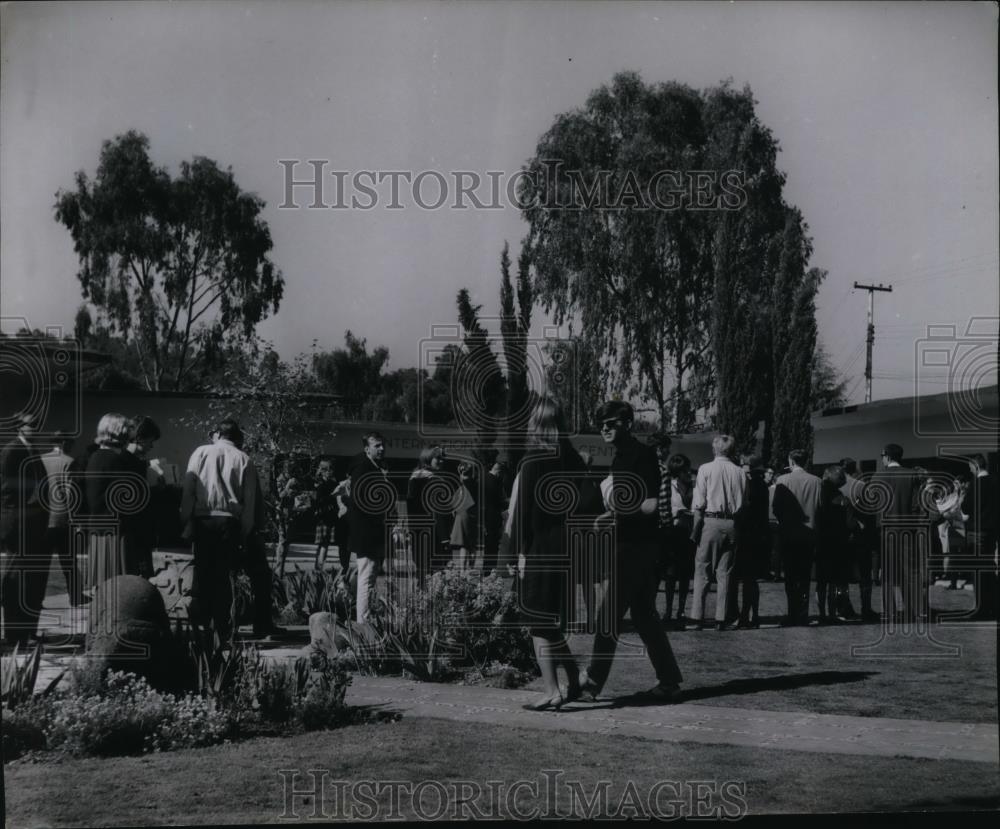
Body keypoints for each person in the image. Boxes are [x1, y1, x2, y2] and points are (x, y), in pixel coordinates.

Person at [578, 401, 684, 703]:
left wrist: (615, 516)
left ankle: (592, 683)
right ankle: (670, 682)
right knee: (644, 617)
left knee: (609, 617)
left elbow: (650, 505)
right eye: (601, 425)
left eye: (609, 423)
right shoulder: (620, 457)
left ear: (626, 422)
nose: (604, 429)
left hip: (636, 549)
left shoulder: (643, 455)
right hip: (628, 545)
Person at [509, 397, 591, 710]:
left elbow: (523, 515)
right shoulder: (573, 457)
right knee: (550, 620)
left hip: (541, 547)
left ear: (536, 423)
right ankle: (573, 674)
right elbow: (589, 505)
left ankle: (552, 691)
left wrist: (517, 554)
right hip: (567, 546)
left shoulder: (532, 460)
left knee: (537, 622)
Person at [179, 419, 259, 644]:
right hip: (228, 522)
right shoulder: (244, 459)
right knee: (224, 577)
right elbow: (249, 501)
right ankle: (222, 628)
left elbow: (189, 490)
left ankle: (202, 626)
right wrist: (245, 531)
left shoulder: (201, 452)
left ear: (218, 434)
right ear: (238, 437)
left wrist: (185, 521)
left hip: (203, 519)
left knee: (203, 574)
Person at [0, 412, 51, 647]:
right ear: (20, 427)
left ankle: (28, 631)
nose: (37, 428)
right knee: (17, 579)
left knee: (33, 580)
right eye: (33, 425)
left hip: (35, 525)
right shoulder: (12, 451)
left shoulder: (34, 453)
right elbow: (6, 487)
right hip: (19, 524)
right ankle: (13, 635)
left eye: (39, 424)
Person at [688, 435, 746, 630]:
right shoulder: (740, 472)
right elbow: (743, 501)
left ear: (715, 449)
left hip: (710, 521)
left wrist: (695, 530)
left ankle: (697, 617)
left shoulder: (705, 469)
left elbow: (699, 503)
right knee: (726, 572)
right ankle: (722, 617)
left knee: (702, 569)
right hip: (731, 522)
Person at [866, 443, 924, 623]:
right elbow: (916, 506)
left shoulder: (877, 476)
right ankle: (916, 611)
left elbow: (873, 506)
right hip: (907, 530)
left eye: (882, 455)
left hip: (885, 530)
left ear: (888, 457)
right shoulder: (911, 475)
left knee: (888, 574)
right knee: (911, 572)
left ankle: (889, 612)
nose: (882, 458)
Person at [83, 413, 139, 591]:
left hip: (99, 527)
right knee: (117, 585)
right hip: (116, 531)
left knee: (104, 584)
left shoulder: (96, 456)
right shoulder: (115, 460)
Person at [345, 432, 391, 623]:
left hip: (372, 531)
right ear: (366, 449)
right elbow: (362, 502)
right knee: (367, 576)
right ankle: (363, 623)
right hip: (367, 532)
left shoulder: (374, 468)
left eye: (382, 445)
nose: (381, 449)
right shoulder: (363, 469)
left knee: (369, 576)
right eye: (376, 446)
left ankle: (365, 619)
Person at [773, 449, 822, 626]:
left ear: (791, 461)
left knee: (791, 576)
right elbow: (820, 508)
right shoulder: (817, 481)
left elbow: (776, 508)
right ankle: (802, 613)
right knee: (804, 576)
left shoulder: (782, 480)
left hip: (789, 534)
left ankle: (792, 612)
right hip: (809, 535)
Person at [39, 433, 86, 606]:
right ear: (65, 442)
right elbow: (70, 493)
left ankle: (37, 599)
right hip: (63, 519)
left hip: (43, 519)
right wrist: (76, 521)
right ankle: (75, 596)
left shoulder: (40, 460)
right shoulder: (68, 461)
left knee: (41, 564)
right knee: (69, 561)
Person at [840, 458, 879, 622]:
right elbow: (871, 512)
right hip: (861, 536)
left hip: (842, 536)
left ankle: (844, 606)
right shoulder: (861, 486)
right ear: (854, 469)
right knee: (865, 574)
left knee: (842, 575)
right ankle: (866, 608)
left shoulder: (835, 487)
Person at [121, 416, 161, 578]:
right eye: (150, 441)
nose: (152, 446)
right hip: (133, 526)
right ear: (139, 438)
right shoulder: (129, 462)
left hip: (135, 525)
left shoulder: (133, 460)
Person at [734, 455, 770, 628]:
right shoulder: (762, 485)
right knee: (751, 579)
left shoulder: (752, 485)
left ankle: (745, 615)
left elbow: (746, 509)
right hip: (758, 535)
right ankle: (753, 614)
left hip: (749, 534)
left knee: (747, 578)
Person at [405, 445, 450, 583]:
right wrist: (444, 538)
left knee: (422, 574)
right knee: (435, 576)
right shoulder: (434, 480)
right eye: (438, 458)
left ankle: (420, 602)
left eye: (443, 458)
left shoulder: (413, 478)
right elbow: (438, 511)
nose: (442, 461)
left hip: (417, 532)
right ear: (428, 458)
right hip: (434, 535)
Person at [661, 453, 695, 630]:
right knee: (670, 574)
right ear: (677, 471)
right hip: (673, 531)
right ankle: (667, 609)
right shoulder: (669, 485)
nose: (688, 473)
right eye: (685, 470)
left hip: (687, 533)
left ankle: (681, 609)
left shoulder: (692, 485)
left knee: (684, 574)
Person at [815, 465, 852, 624]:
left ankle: (822, 612)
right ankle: (833, 612)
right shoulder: (843, 499)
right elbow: (849, 524)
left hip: (822, 541)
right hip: (838, 543)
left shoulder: (819, 497)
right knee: (835, 581)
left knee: (822, 581)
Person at [962, 453, 997, 620]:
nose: (971, 471)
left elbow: (966, 508)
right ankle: (993, 607)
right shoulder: (996, 482)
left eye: (970, 468)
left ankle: (981, 609)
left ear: (975, 467)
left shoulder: (975, 485)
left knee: (978, 572)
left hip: (977, 531)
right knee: (989, 569)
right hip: (992, 532)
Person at [481, 455, 508, 575]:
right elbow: (497, 501)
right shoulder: (494, 481)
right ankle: (490, 570)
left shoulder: (485, 479)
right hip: (492, 517)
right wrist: (507, 502)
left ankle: (488, 569)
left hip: (488, 517)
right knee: (492, 546)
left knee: (489, 546)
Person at [450, 461, 479, 571]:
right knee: (471, 545)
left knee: (464, 545)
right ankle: (470, 569)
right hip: (471, 515)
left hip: (461, 515)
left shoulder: (462, 487)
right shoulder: (474, 485)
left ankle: (463, 569)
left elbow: (453, 502)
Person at [313, 459, 339, 571]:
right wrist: (333, 495)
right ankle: (319, 568)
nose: (330, 472)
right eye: (328, 470)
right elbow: (321, 500)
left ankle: (317, 567)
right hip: (327, 516)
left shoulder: (318, 483)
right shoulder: (330, 484)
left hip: (322, 516)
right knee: (324, 544)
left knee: (321, 544)